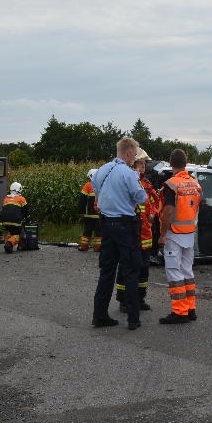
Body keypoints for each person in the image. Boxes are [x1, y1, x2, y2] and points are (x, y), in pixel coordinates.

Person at [91, 137, 147, 330]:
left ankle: (100, 316)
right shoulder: (129, 174)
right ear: (129, 153)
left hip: (106, 224)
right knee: (131, 270)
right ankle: (133, 319)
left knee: (106, 271)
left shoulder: (101, 171)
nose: (136, 158)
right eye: (136, 154)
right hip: (125, 226)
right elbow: (142, 198)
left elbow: (96, 190)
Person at [158, 149, 202, 324]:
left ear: (170, 163)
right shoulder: (195, 183)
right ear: (186, 163)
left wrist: (162, 234)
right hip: (189, 233)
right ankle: (190, 308)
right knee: (187, 272)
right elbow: (200, 203)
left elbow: (168, 211)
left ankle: (179, 311)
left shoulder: (171, 184)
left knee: (174, 272)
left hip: (174, 233)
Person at [116, 148, 160, 312]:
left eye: (144, 163)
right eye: (141, 163)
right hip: (130, 232)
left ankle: (140, 299)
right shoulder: (127, 181)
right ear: (134, 164)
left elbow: (156, 203)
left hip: (145, 233)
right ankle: (124, 300)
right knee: (127, 267)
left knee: (143, 268)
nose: (144, 166)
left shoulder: (147, 184)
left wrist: (154, 214)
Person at [0, 182, 30, 253]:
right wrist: (28, 219)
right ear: (19, 190)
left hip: (5, 222)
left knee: (11, 231)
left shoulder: (6, 199)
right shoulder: (21, 199)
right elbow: (26, 211)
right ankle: (9, 244)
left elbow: (3, 211)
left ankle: (8, 244)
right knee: (18, 234)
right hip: (15, 222)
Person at [78, 168, 101, 252]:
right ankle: (98, 247)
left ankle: (84, 246)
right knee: (98, 232)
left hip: (88, 215)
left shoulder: (87, 185)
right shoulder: (101, 185)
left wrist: (81, 211)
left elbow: (82, 199)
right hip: (99, 214)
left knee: (87, 230)